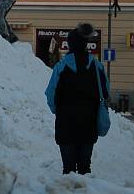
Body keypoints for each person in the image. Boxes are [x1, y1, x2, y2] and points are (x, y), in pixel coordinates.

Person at [45, 23, 109, 175]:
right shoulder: (97, 66)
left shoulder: (61, 67)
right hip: (89, 123)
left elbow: (50, 94)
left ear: (70, 44)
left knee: (68, 169)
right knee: (85, 168)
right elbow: (105, 92)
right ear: (86, 44)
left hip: (65, 123)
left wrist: (58, 110)